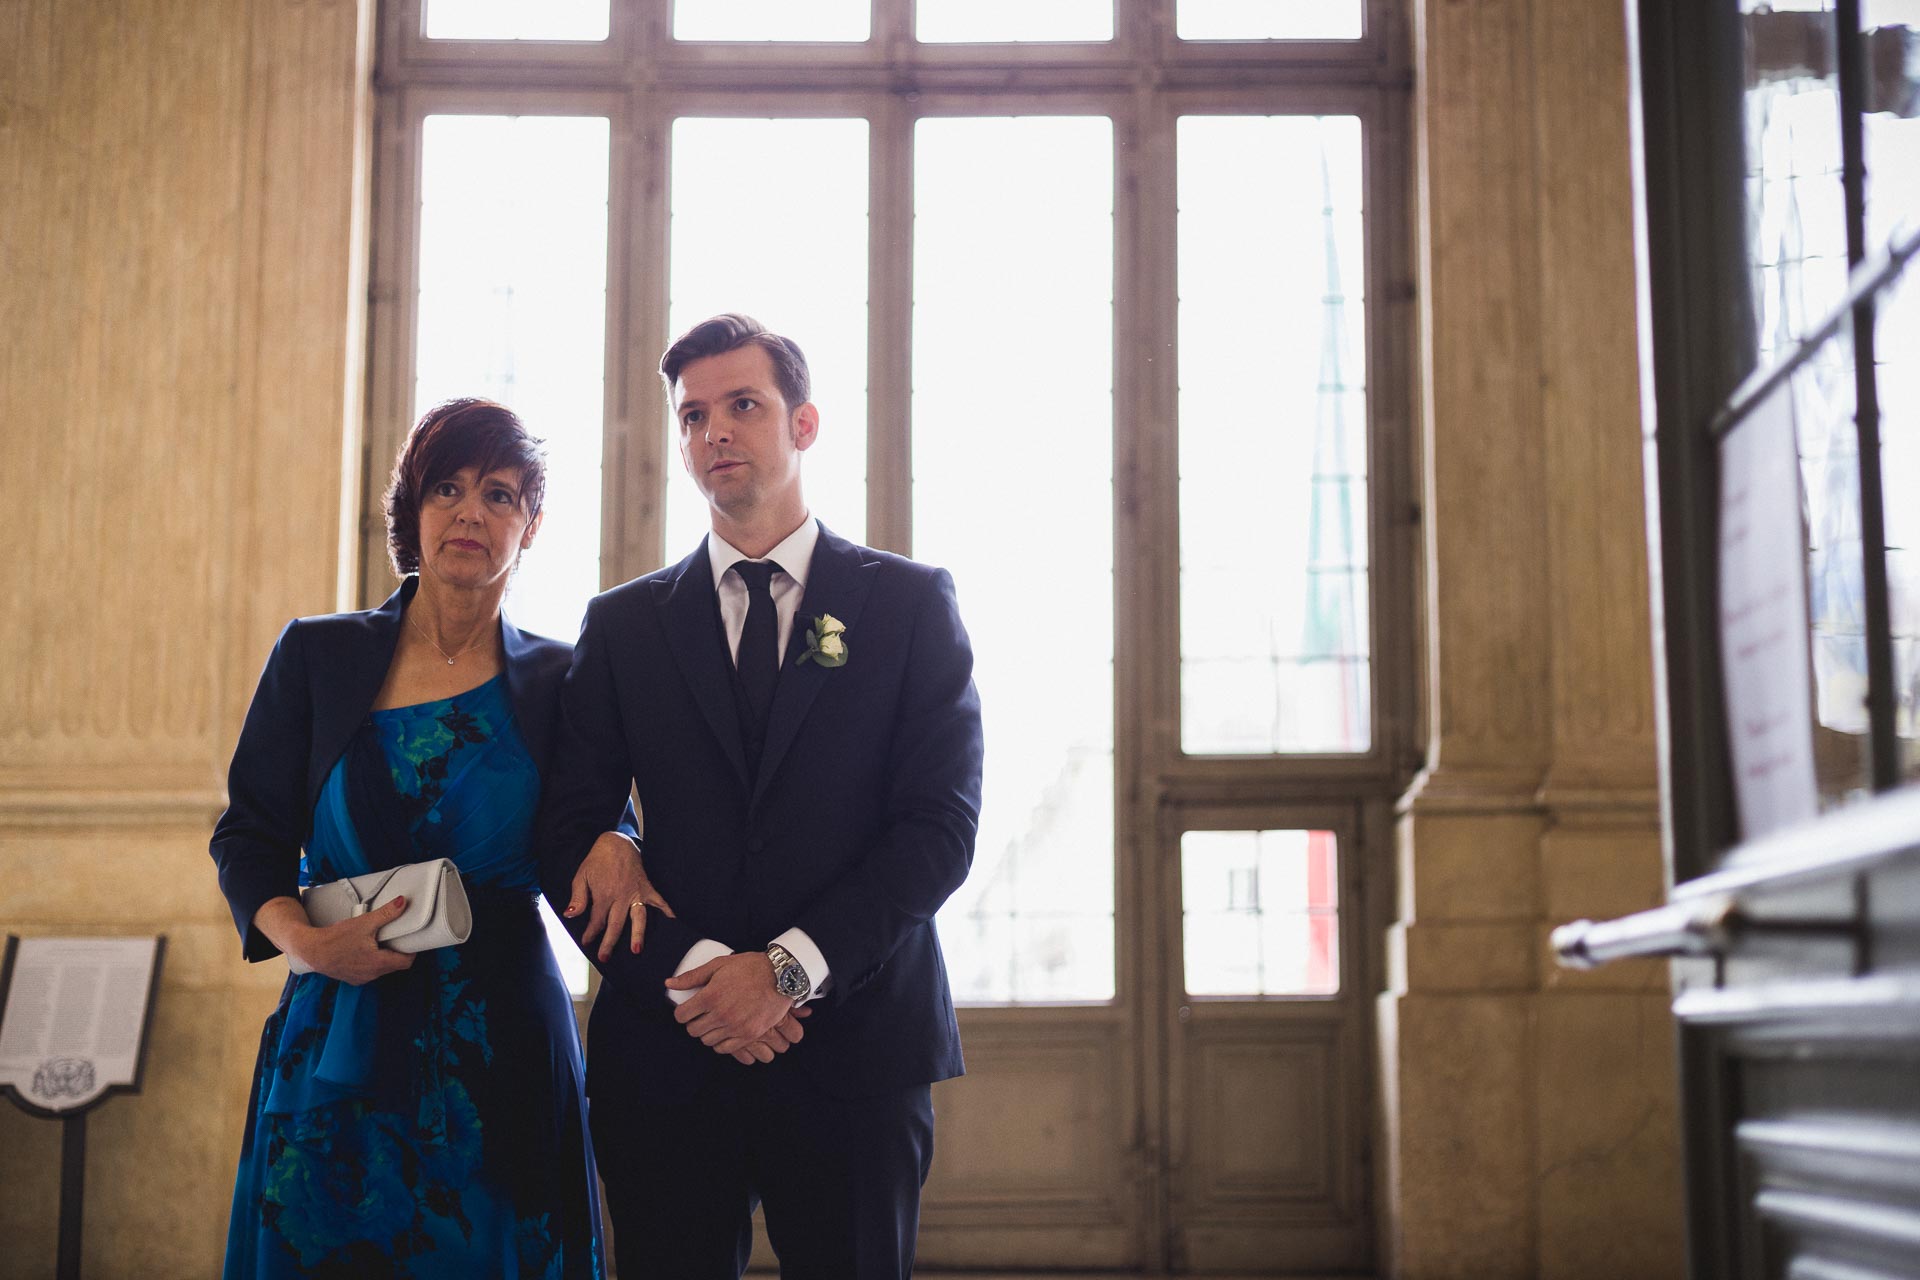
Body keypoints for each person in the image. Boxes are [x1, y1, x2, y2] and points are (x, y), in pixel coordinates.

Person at [538, 314, 986, 1279]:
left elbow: (939, 828)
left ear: (804, 424)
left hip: (857, 1048)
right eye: (693, 416)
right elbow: (566, 829)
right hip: (670, 1050)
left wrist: (784, 972)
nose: (715, 432)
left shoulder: (908, 606)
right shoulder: (623, 626)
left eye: (743, 405)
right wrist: (701, 974)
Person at [211, 399, 651, 1279]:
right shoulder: (315, 656)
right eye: (447, 489)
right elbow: (248, 835)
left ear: (530, 524)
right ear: (412, 510)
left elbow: (603, 824)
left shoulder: (563, 678)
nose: (469, 513)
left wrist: (620, 837)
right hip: (338, 1021)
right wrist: (307, 945)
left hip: (502, 1039)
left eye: (499, 494)